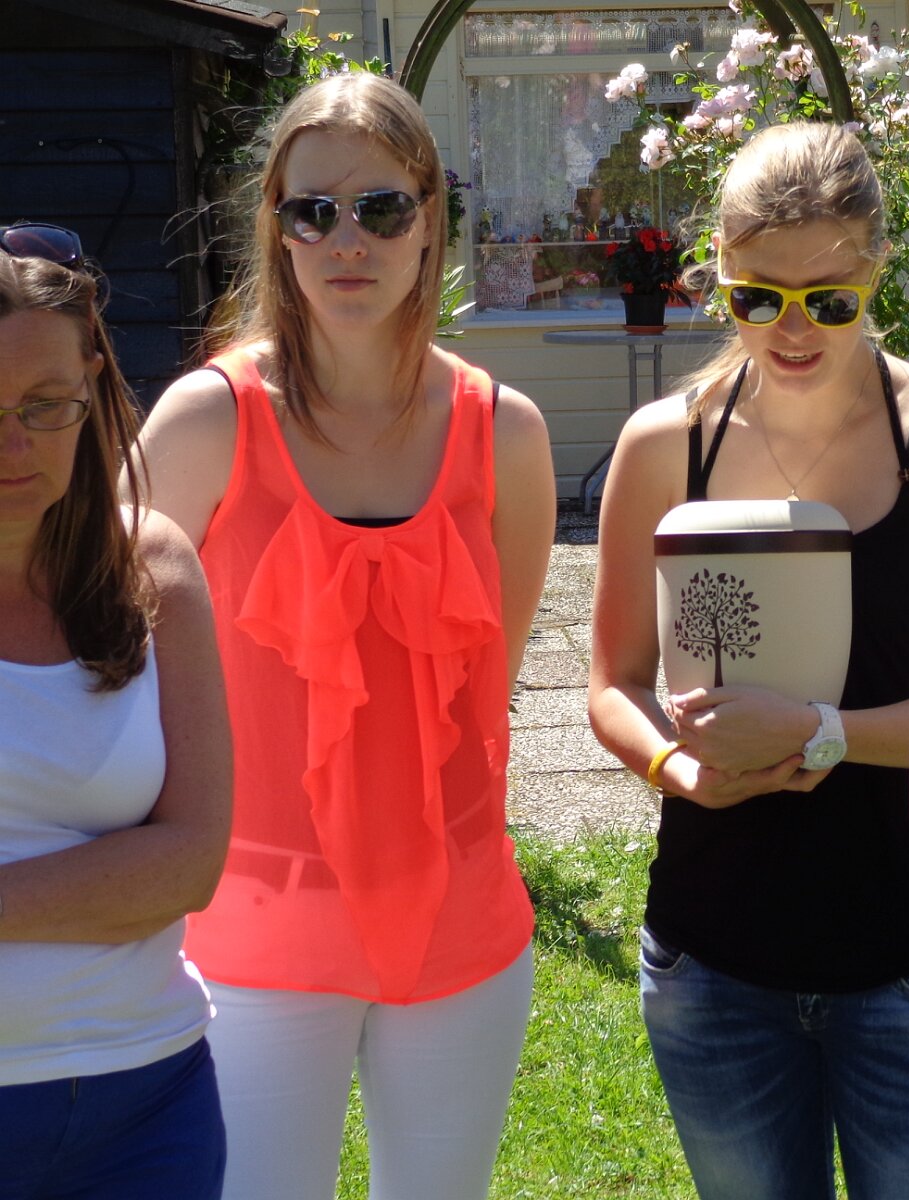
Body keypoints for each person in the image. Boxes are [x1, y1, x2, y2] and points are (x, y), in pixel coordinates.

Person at [587, 120, 909, 1200]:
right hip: (711, 958)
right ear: (718, 275)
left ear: (876, 270)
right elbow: (613, 683)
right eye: (758, 299)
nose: (792, 330)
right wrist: (676, 768)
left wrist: (817, 734)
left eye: (828, 300)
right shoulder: (666, 444)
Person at [131, 73, 556, 1200]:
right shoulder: (207, 420)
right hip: (252, 935)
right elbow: (115, 664)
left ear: (430, 217)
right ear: (276, 227)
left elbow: (493, 683)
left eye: (380, 207)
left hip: (462, 924)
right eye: (312, 211)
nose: (346, 240)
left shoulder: (505, 435)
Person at [0, 226, 231, 1197]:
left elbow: (192, 862)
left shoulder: (157, 568)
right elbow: (150, 867)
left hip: (149, 1102)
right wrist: (105, 886)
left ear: (94, 388)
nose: (13, 446)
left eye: (45, 405)